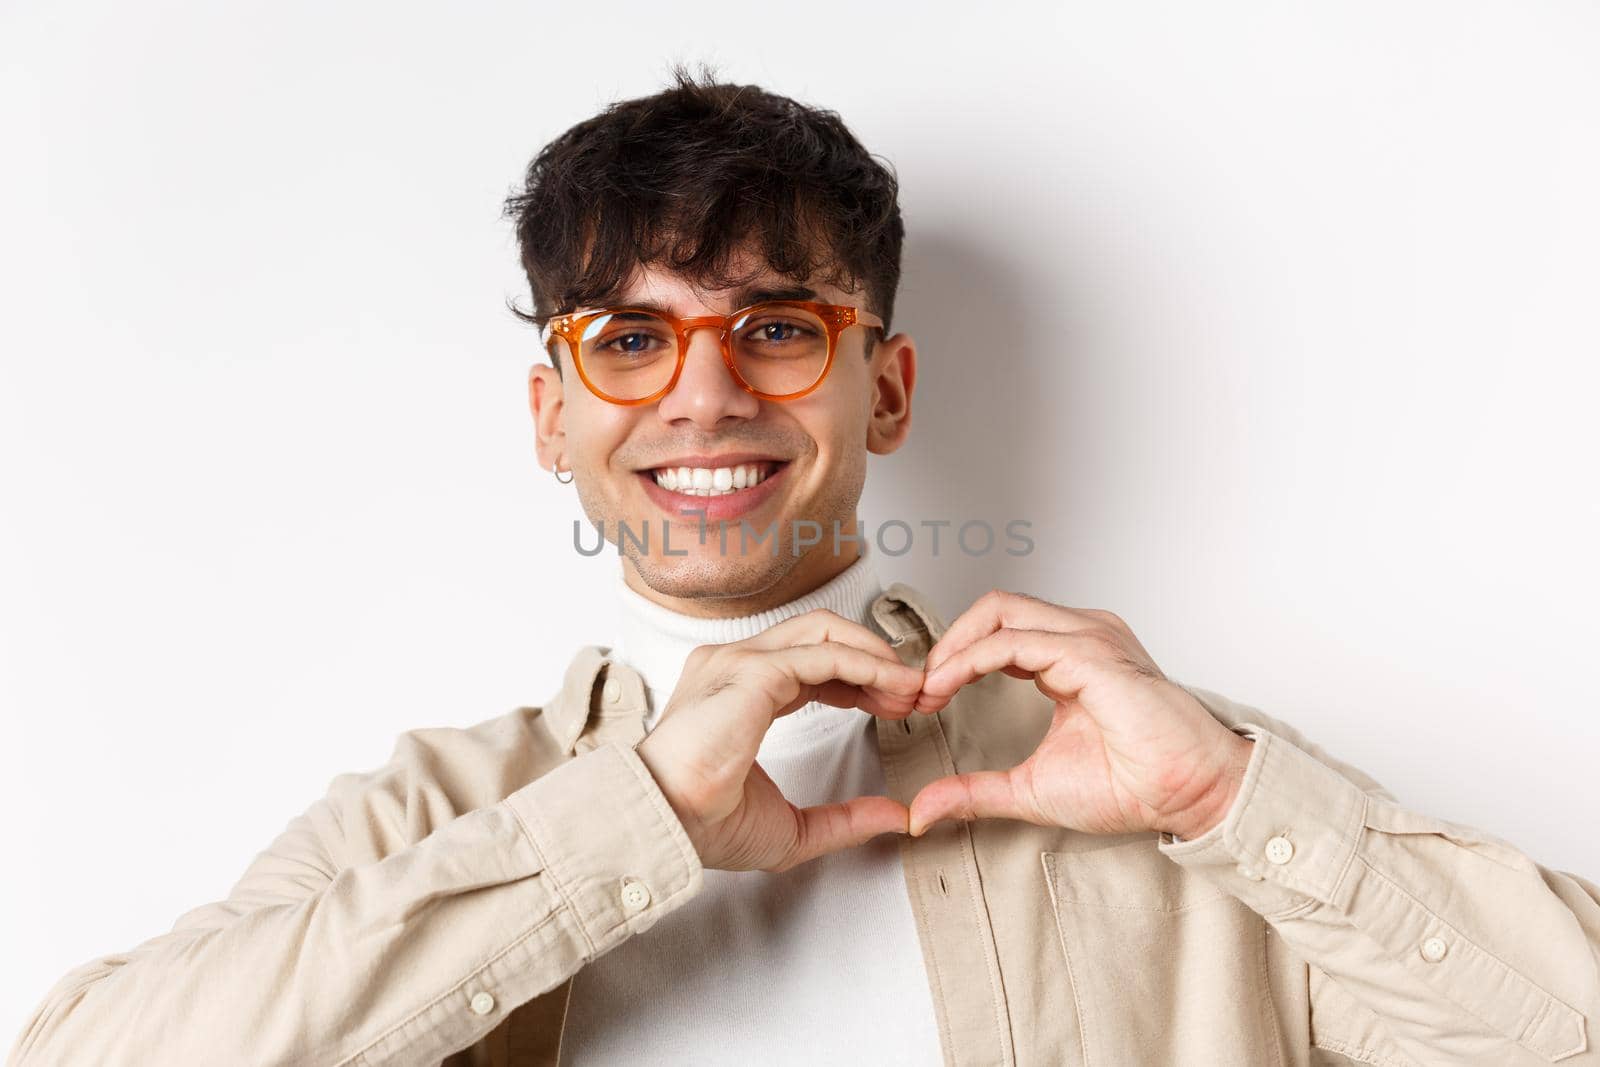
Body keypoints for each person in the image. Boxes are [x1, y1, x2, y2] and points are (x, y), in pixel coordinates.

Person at [10, 64, 1599, 1067]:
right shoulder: (444, 809)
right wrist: (621, 822)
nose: (704, 394)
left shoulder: (1135, 766)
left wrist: (1228, 801)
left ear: (884, 389)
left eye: (777, 328)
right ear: (553, 417)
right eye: (630, 339)